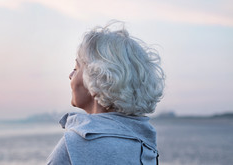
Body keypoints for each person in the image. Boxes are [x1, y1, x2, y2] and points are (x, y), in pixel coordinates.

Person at [47, 21, 164, 165]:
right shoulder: (145, 144)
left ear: (98, 78)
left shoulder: (74, 145)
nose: (70, 75)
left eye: (76, 68)